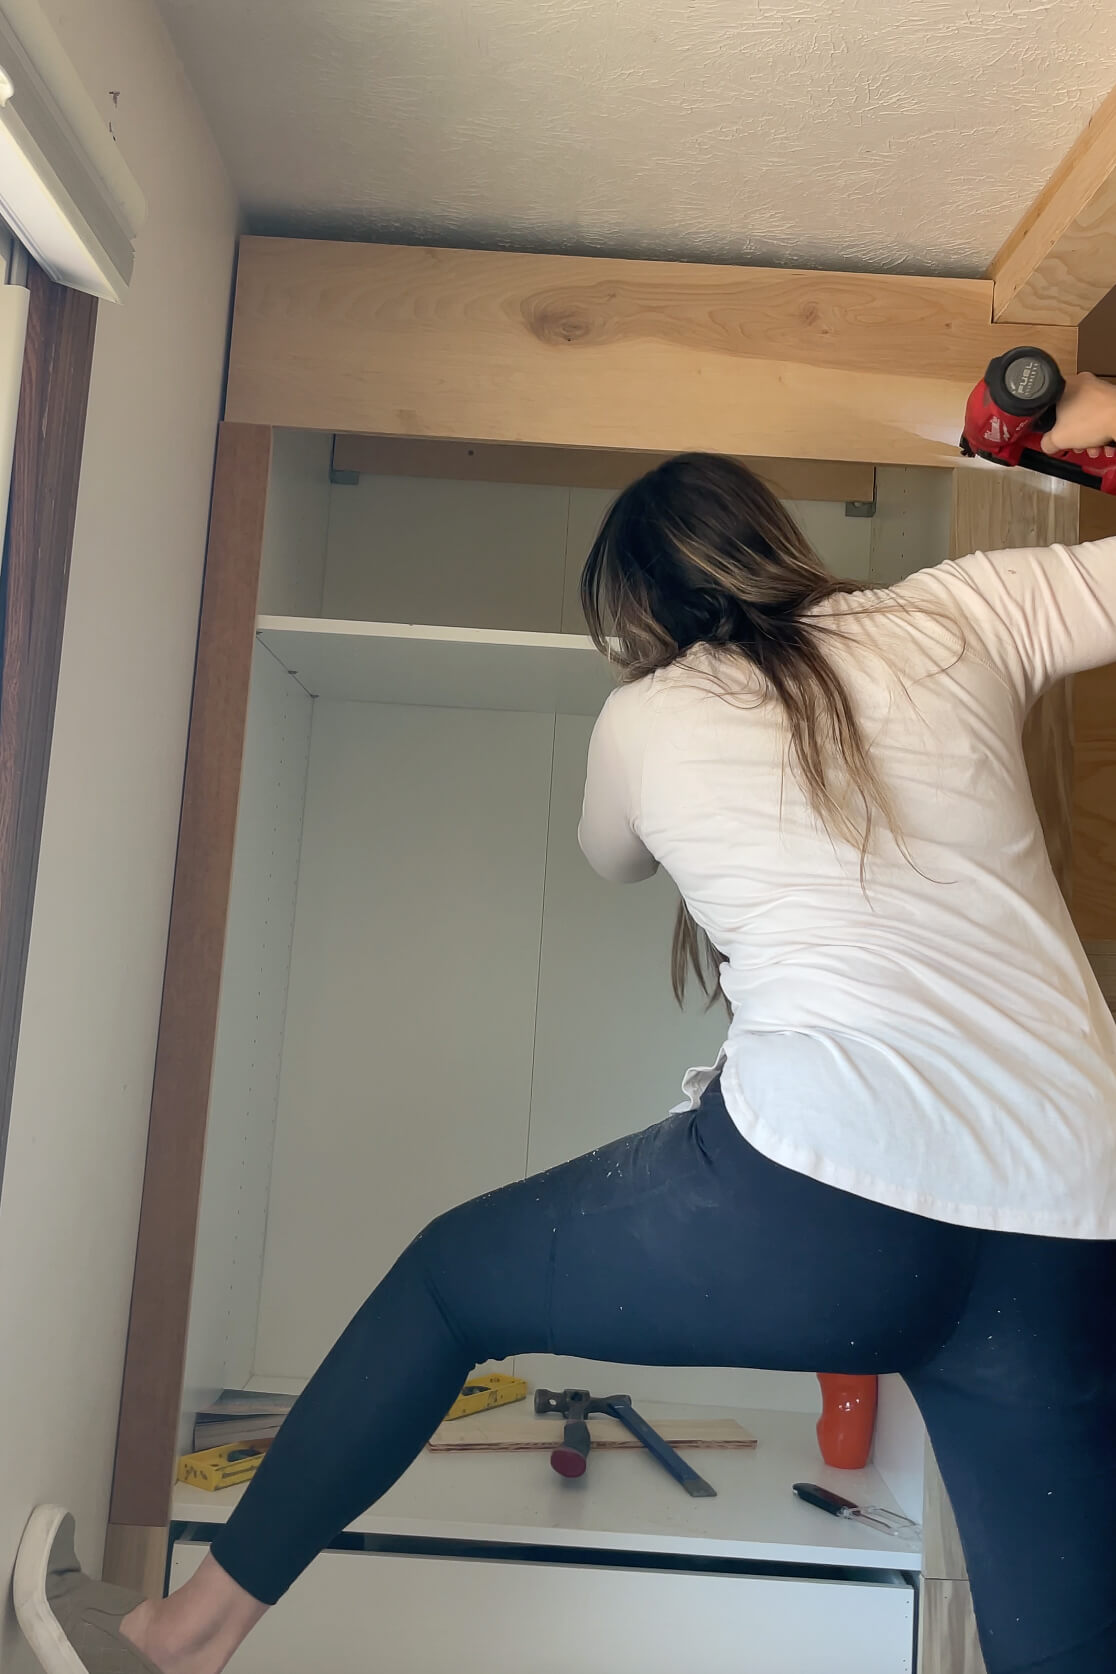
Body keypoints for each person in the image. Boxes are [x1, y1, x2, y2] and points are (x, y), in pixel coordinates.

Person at [14, 374, 1116, 1674]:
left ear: (634, 620)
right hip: (1075, 1220)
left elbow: (614, 858)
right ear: (776, 540)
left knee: (446, 1283)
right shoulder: (963, 610)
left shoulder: (646, 715)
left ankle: (179, 1637)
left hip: (822, 1202)